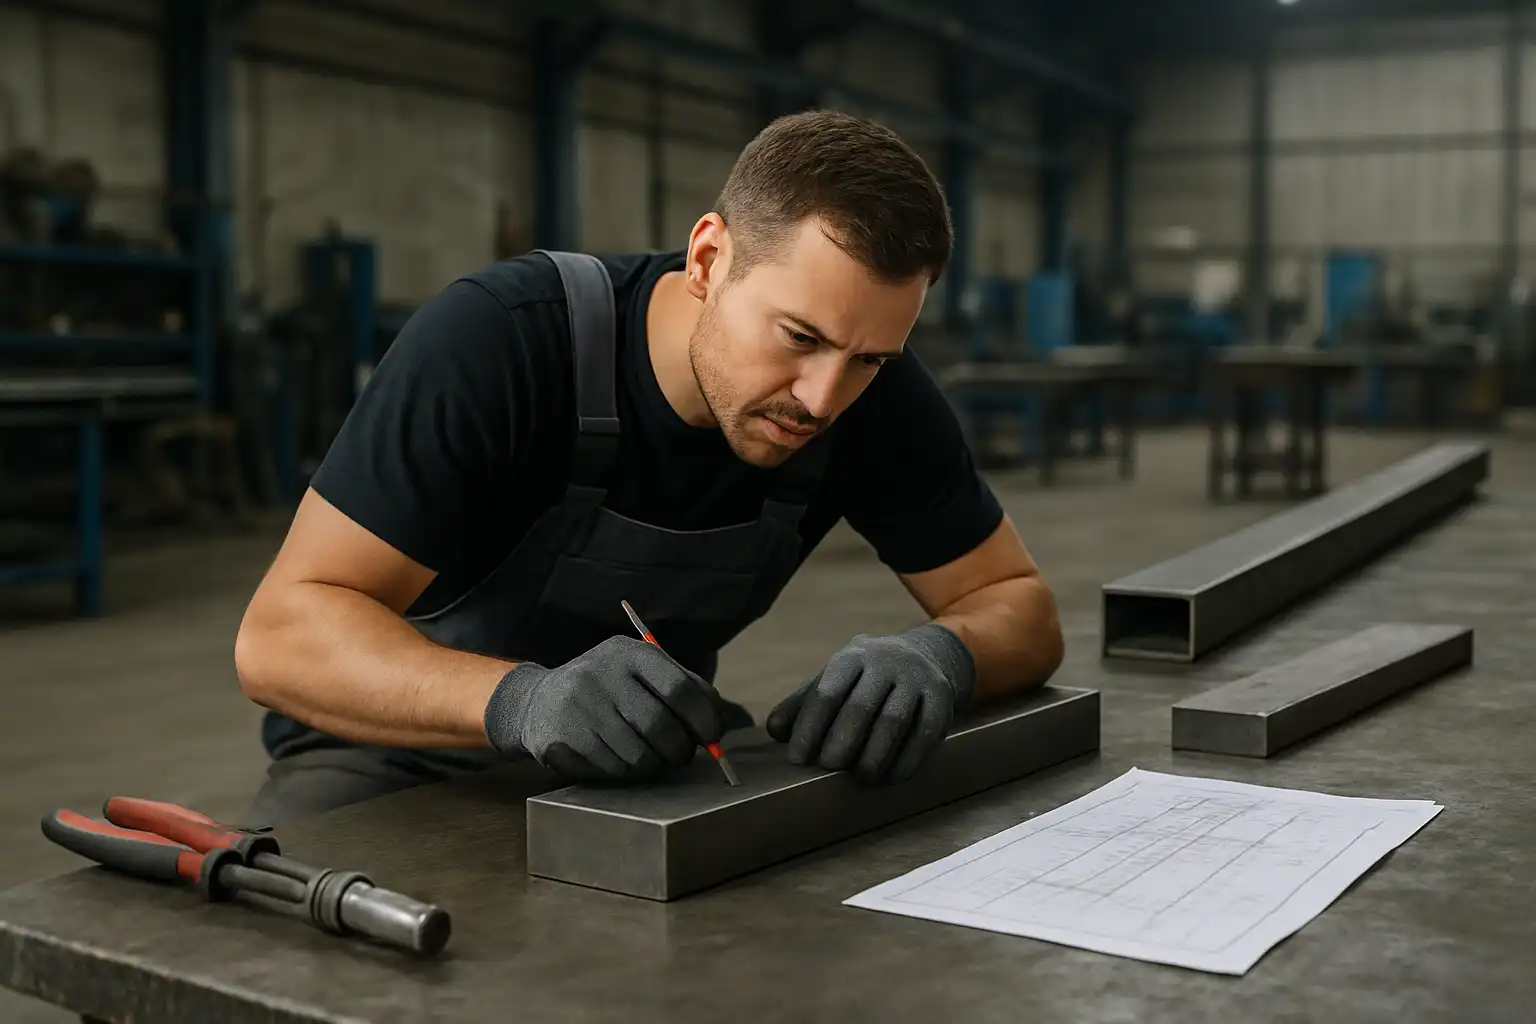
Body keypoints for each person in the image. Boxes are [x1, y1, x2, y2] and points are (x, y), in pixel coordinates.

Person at [233, 110, 1064, 824]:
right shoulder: (499, 341)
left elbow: (1019, 608)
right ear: (707, 260)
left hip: (647, 761)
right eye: (799, 338)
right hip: (400, 761)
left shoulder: (870, 392)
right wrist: (522, 702)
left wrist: (939, 657)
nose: (822, 398)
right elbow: (281, 639)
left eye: (871, 358)